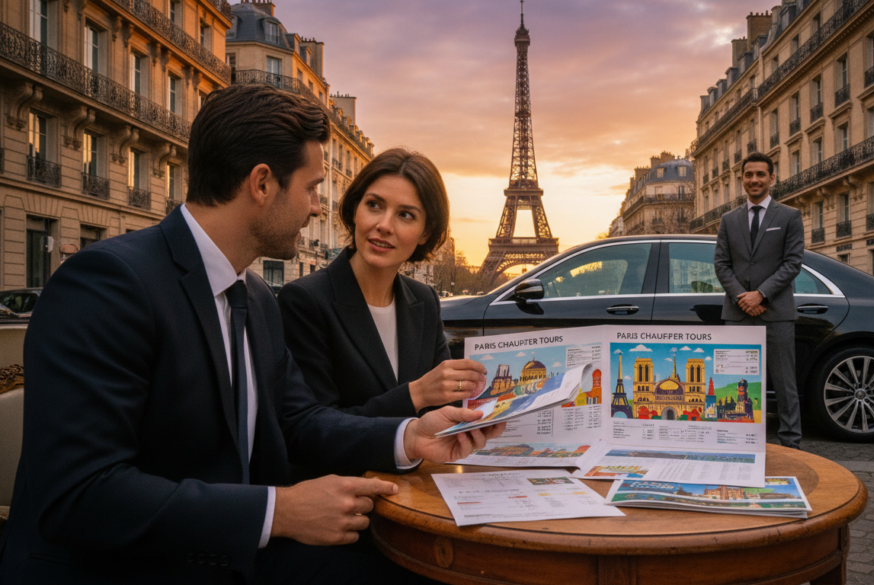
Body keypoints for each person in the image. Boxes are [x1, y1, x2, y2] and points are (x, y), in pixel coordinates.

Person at [0, 84, 503, 584]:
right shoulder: (108, 283)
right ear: (262, 184)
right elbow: (80, 495)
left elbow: (300, 420)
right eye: (310, 189)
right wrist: (277, 511)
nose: (314, 208)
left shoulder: (257, 298)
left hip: (228, 552)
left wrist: (409, 435)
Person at [278, 149, 486, 418]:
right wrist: (416, 395)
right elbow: (313, 427)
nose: (384, 225)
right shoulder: (304, 301)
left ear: (426, 233)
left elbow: (444, 408)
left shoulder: (425, 300)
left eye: (406, 215)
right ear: (355, 210)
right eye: (374, 205)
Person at [714, 152, 804, 449]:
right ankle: (736, 442)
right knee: (735, 382)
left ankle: (791, 444)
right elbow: (721, 265)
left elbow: (792, 263)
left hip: (776, 312)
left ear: (772, 178)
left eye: (760, 174)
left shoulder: (789, 216)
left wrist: (761, 294)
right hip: (738, 313)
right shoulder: (729, 220)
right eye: (749, 174)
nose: (754, 179)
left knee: (785, 383)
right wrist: (744, 298)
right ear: (742, 179)